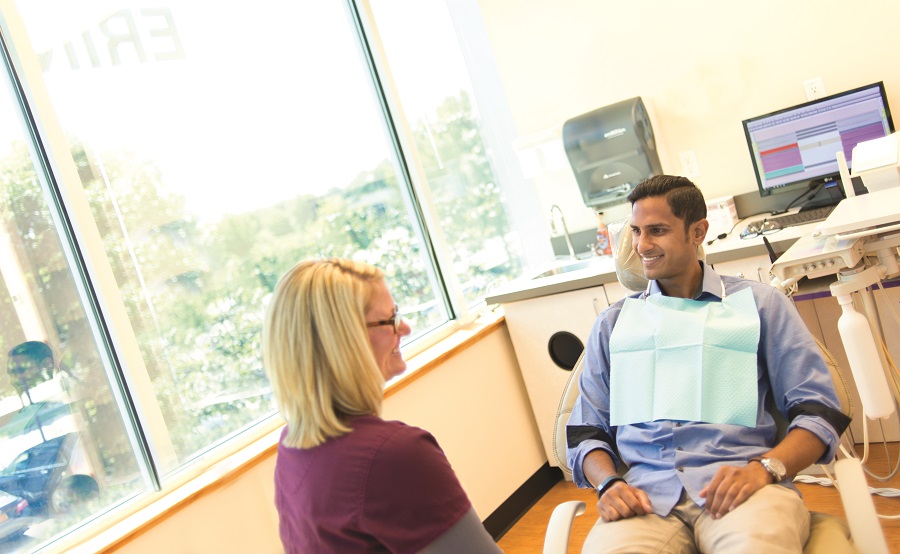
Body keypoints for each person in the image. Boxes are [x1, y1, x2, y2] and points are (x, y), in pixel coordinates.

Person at [566, 175, 850, 553]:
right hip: (645, 500)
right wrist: (609, 483)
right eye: (636, 231)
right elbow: (586, 432)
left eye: (658, 231)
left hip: (741, 487)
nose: (642, 245)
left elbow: (819, 413)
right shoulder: (614, 325)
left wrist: (765, 469)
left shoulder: (760, 305)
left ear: (698, 231)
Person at [262, 258, 501, 554]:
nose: (405, 327)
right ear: (346, 341)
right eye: (389, 320)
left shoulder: (292, 444)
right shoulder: (394, 454)